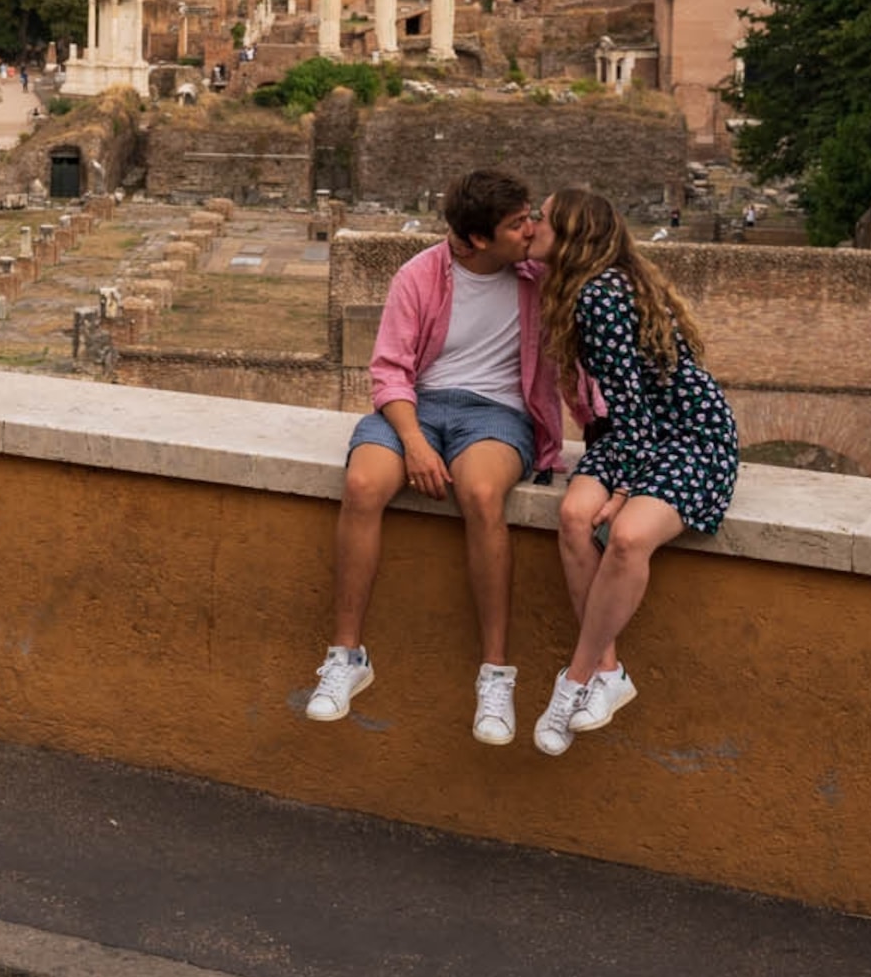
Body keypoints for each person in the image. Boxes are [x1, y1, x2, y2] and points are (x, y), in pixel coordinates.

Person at [305, 168, 581, 745]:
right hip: (417, 408)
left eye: (530, 215)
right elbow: (389, 372)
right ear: (478, 239)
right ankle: (346, 656)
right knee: (362, 486)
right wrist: (415, 443)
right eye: (517, 223)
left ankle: (496, 674)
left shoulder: (539, 277)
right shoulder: (421, 275)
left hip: (497, 414)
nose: (530, 229)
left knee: (481, 494)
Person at [529, 188, 741, 755]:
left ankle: (574, 679)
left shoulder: (600, 295)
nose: (532, 225)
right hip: (630, 437)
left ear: (571, 234)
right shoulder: (589, 286)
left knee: (624, 537)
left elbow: (632, 406)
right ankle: (609, 671)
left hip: (689, 439)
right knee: (574, 516)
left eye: (542, 218)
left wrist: (623, 491)